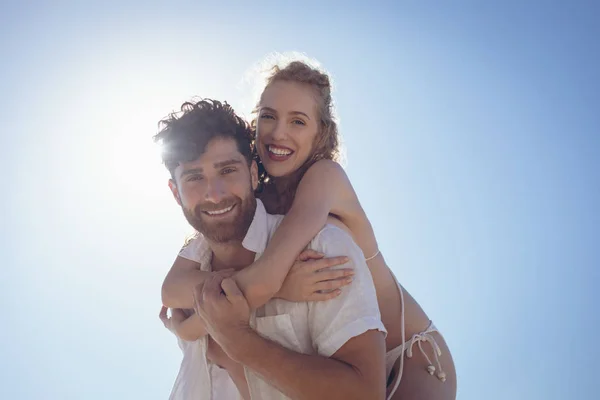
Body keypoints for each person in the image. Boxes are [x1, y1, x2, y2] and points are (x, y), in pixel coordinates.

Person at [161, 58, 457, 399]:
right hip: (338, 341)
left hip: (411, 352)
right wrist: (196, 324)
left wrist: (191, 323)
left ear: (321, 134)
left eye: (298, 121)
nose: (279, 132)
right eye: (269, 116)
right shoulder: (253, 199)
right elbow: (173, 289)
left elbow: (265, 279)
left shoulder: (324, 179)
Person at [157, 98, 387, 399]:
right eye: (195, 178)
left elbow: (365, 394)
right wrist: (274, 288)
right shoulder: (189, 285)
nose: (214, 194)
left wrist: (237, 340)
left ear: (253, 174)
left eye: (227, 171)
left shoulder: (321, 248)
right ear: (175, 192)